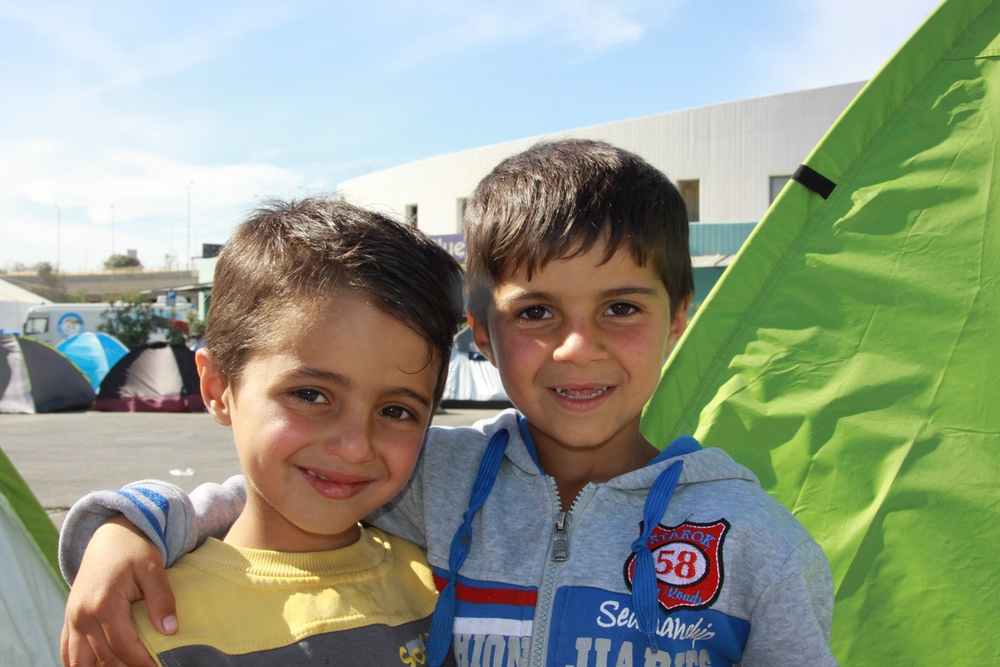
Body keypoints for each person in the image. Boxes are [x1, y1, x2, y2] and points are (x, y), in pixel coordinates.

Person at [60, 140, 837, 667]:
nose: (577, 347)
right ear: (483, 333)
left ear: (678, 318)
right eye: (536, 312)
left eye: (621, 308)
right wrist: (129, 527)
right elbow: (272, 495)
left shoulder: (757, 546)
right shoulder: (438, 478)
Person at [58, 196, 464, 666]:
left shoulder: (442, 578)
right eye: (311, 395)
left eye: (395, 410)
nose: (355, 447)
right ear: (217, 386)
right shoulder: (151, 625)